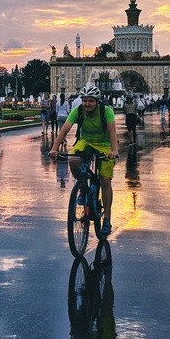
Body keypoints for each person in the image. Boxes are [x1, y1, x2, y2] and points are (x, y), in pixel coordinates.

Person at [49, 86, 119, 236]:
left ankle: (107, 219)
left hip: (105, 145)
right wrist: (54, 148)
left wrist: (114, 151)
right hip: (85, 142)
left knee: (105, 180)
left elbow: (112, 131)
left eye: (90, 101)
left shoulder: (106, 111)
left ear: (97, 102)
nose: (87, 104)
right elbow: (64, 130)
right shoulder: (78, 111)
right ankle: (82, 185)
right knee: (73, 160)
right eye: (85, 100)